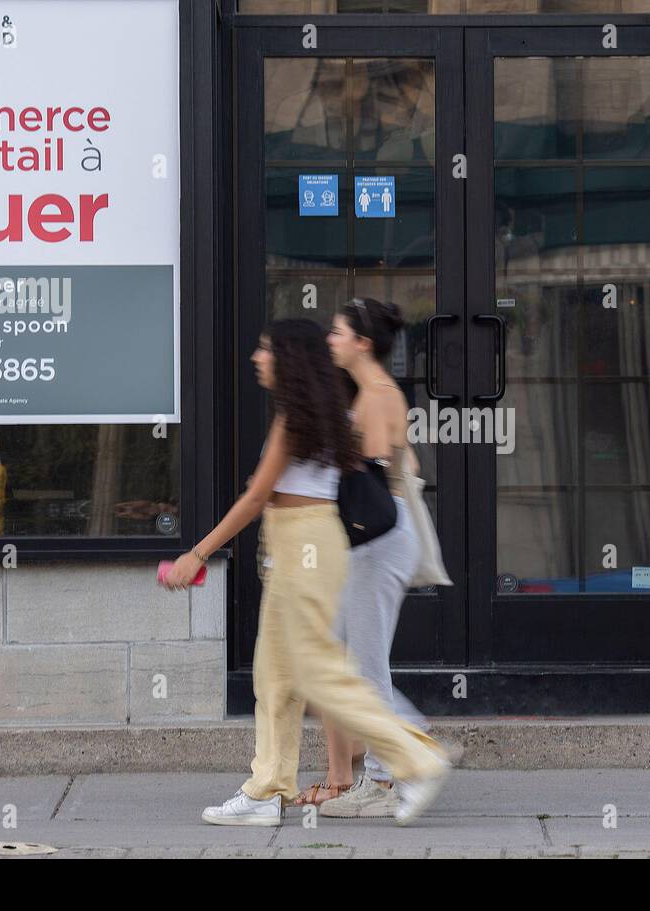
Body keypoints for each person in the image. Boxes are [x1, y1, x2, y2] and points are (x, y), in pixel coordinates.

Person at [159, 316, 451, 827]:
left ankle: (417, 759)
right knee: (275, 677)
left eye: (266, 349)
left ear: (289, 359)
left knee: (317, 672)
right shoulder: (320, 412)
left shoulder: (296, 418)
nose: (256, 358)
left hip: (305, 546)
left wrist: (197, 554)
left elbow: (257, 496)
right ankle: (266, 791)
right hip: (303, 543)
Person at [288, 298, 432, 817]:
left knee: (365, 668)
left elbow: (362, 472)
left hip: (379, 538)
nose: (331, 339)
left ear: (362, 343)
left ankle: (402, 768)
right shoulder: (366, 392)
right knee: (343, 661)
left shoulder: (378, 394)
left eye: (338, 332)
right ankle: (392, 766)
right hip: (372, 538)